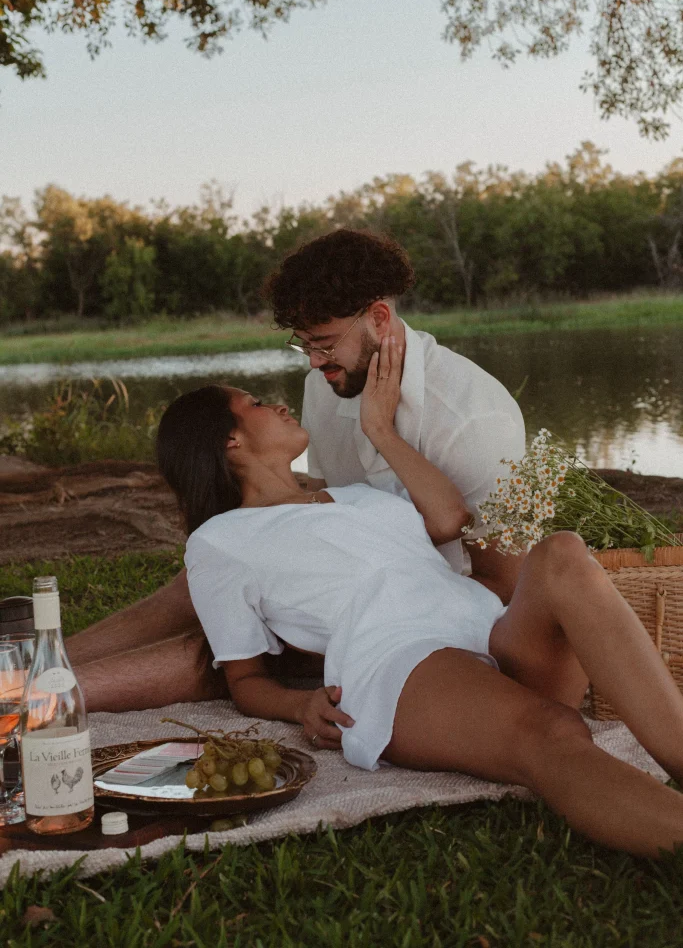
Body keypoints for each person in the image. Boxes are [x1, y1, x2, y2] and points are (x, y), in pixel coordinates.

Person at [153, 352, 683, 859]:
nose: (279, 404)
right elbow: (243, 680)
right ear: (229, 440)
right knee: (553, 734)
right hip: (398, 661)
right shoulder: (219, 542)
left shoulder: (356, 496)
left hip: (484, 627)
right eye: (255, 403)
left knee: (561, 552)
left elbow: (448, 516)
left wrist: (379, 429)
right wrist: (300, 705)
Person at [66, 230, 525, 689]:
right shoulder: (327, 384)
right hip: (345, 581)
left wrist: (348, 628)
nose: (312, 362)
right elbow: (321, 514)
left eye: (322, 342)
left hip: (425, 607)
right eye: (303, 344)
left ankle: (49, 693)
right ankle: (38, 664)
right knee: (203, 584)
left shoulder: (472, 416)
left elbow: (504, 584)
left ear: (379, 318)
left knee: (213, 648)